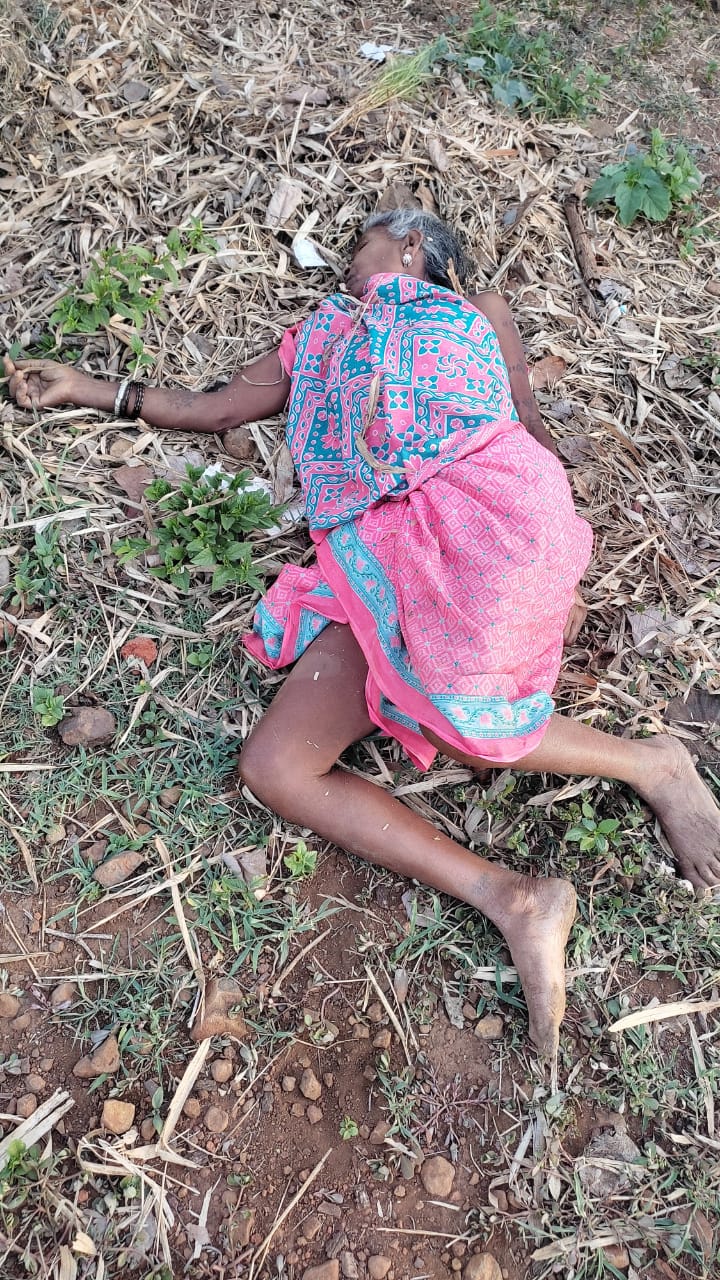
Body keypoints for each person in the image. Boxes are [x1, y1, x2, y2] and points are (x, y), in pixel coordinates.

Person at [6, 209, 720, 1059]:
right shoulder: (320, 334)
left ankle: (654, 764)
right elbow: (214, 407)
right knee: (276, 768)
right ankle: (514, 898)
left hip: (486, 512)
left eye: (361, 248)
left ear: (411, 245)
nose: (348, 267)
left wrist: (556, 567)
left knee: (446, 701)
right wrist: (90, 389)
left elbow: (523, 423)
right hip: (378, 543)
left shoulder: (475, 311)